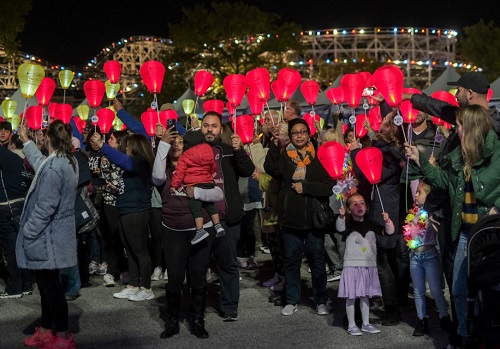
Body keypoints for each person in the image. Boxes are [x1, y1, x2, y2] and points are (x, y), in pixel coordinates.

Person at [405, 104, 500, 343]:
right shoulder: (459, 156)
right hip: (467, 232)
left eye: (458, 125)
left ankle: (489, 332)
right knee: (458, 288)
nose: (455, 130)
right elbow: (443, 180)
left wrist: (497, 206)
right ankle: (463, 332)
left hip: (493, 233)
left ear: (471, 128)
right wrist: (420, 161)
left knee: (490, 286)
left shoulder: (496, 153)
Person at [153, 127, 223, 338]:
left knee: (198, 277)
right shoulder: (163, 169)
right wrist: (162, 144)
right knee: (174, 277)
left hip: (201, 229)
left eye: (180, 141)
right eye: (172, 142)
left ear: (188, 146)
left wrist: (197, 191)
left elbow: (218, 192)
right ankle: (172, 321)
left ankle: (197, 321)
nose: (176, 145)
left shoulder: (201, 165)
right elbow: (156, 178)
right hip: (174, 230)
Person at [17, 120, 79, 349]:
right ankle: (45, 329)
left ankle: (63, 336)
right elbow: (41, 164)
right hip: (54, 234)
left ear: (49, 139)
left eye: (43, 137)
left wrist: (28, 231)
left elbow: (46, 207)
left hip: (47, 235)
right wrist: (26, 141)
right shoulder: (65, 160)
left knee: (51, 288)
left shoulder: (56, 167)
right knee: (46, 285)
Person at [264, 118, 335, 317]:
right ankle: (292, 300)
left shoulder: (318, 157)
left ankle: (321, 300)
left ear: (308, 134)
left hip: (313, 219)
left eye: (302, 132)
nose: (299, 136)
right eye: (295, 133)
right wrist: (274, 143)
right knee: (292, 261)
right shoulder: (285, 156)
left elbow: (329, 186)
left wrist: (307, 187)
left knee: (317, 261)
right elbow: (271, 169)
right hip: (290, 218)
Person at [200, 111, 255, 321]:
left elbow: (248, 170)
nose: (210, 130)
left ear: (220, 129)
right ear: (201, 127)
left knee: (228, 264)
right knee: (198, 264)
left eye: (214, 126)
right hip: (202, 218)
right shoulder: (194, 150)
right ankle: (197, 307)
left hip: (227, 218)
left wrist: (239, 150)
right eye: (206, 125)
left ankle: (230, 306)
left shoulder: (229, 150)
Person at [90, 132, 155, 302]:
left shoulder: (140, 162)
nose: (125, 148)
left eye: (127, 145)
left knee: (140, 250)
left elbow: (123, 161)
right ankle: (133, 285)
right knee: (130, 250)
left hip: (136, 212)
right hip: (125, 210)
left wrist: (103, 146)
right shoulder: (133, 164)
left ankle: (146, 287)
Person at [336, 192, 394, 336]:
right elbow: (340, 228)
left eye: (361, 202)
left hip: (368, 265)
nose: (359, 205)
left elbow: (389, 232)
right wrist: (341, 217)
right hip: (352, 265)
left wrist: (387, 221)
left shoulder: (372, 224)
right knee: (351, 296)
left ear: (366, 207)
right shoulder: (348, 224)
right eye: (354, 204)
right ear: (348, 209)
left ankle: (366, 323)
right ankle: (351, 325)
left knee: (365, 296)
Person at [404, 180, 453, 337]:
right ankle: (422, 320)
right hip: (415, 257)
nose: (416, 195)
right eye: (416, 192)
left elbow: (442, 233)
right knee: (418, 290)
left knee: (436, 290)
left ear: (429, 195)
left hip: (430, 256)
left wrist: (435, 222)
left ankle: (444, 318)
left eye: (420, 192)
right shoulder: (413, 213)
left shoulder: (432, 213)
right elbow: (409, 234)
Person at [170, 130, 225, 244]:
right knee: (210, 205)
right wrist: (208, 174)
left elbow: (180, 173)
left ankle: (200, 230)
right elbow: (213, 166)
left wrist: (173, 185)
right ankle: (218, 225)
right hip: (208, 182)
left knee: (195, 207)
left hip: (193, 184)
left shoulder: (185, 155)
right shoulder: (208, 150)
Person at [0, 128, 33, 300]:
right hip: (20, 204)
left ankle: (14, 288)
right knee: (20, 247)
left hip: (7, 207)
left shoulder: (3, 156)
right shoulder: (14, 157)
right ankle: (26, 284)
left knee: (11, 249)